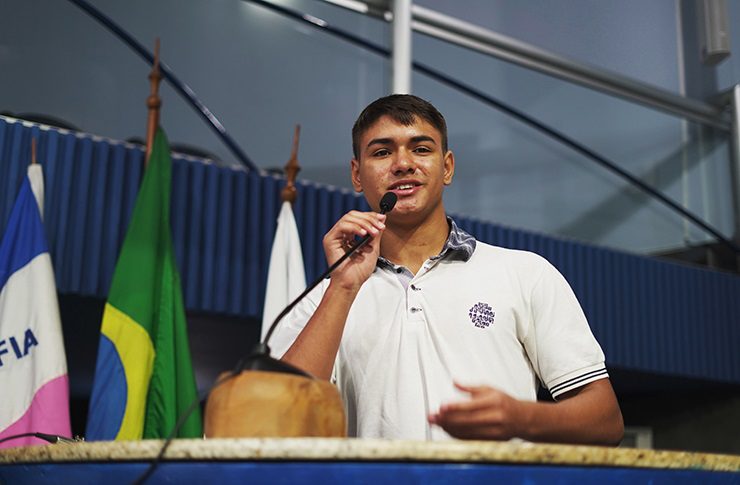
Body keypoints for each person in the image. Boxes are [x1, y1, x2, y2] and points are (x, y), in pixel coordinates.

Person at [275, 94, 623, 444]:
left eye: (421, 149)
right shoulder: (325, 298)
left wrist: (521, 417)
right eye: (382, 152)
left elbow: (605, 421)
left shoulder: (525, 273)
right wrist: (343, 287)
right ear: (356, 174)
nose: (403, 164)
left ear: (448, 167)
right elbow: (280, 420)